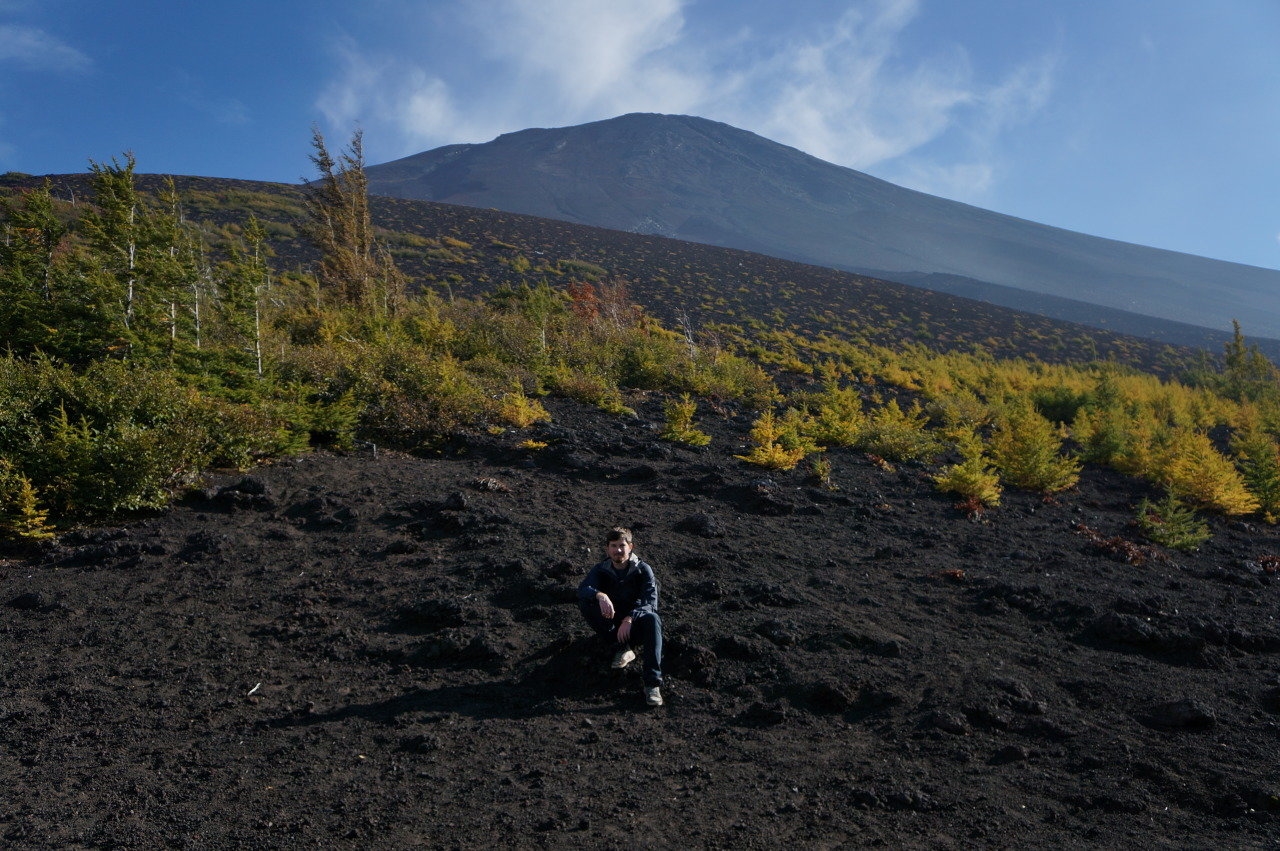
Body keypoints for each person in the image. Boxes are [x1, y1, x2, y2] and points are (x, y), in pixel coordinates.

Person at [577, 527, 664, 706]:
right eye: (613, 546)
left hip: (635, 626)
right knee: (586, 602)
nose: (618, 550)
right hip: (613, 626)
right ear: (607, 549)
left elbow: (650, 602)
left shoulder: (643, 569)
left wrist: (631, 617)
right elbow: (583, 589)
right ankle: (621, 647)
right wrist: (600, 595)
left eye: (622, 545)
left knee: (653, 619)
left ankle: (652, 685)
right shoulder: (601, 570)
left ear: (630, 547)